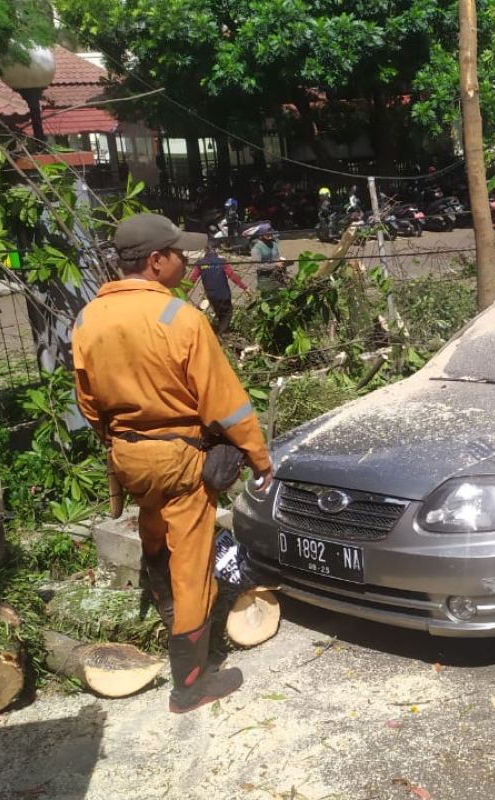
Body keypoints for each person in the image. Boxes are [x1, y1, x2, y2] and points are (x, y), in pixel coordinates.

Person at [72, 213, 273, 714]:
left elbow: (88, 403)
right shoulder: (179, 318)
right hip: (178, 457)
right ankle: (190, 682)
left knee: (153, 528)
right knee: (192, 564)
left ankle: (164, 609)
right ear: (157, 262)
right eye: (180, 254)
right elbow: (226, 404)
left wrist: (123, 444)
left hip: (127, 454)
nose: (187, 261)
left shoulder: (87, 319)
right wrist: (258, 459)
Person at [189, 246, 250, 334]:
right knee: (227, 313)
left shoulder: (200, 264)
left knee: (219, 312)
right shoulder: (222, 262)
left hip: (211, 295)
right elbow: (233, 276)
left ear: (205, 252)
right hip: (224, 294)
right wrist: (245, 287)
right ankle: (221, 333)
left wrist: (183, 292)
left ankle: (217, 331)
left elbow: (192, 280)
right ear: (216, 251)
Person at [250, 228, 284, 293]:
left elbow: (277, 257)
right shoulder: (256, 248)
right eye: (266, 233)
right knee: (268, 297)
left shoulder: (274, 244)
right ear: (261, 235)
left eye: (270, 232)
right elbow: (258, 265)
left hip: (278, 276)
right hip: (265, 278)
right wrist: (275, 265)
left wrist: (281, 261)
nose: (269, 234)